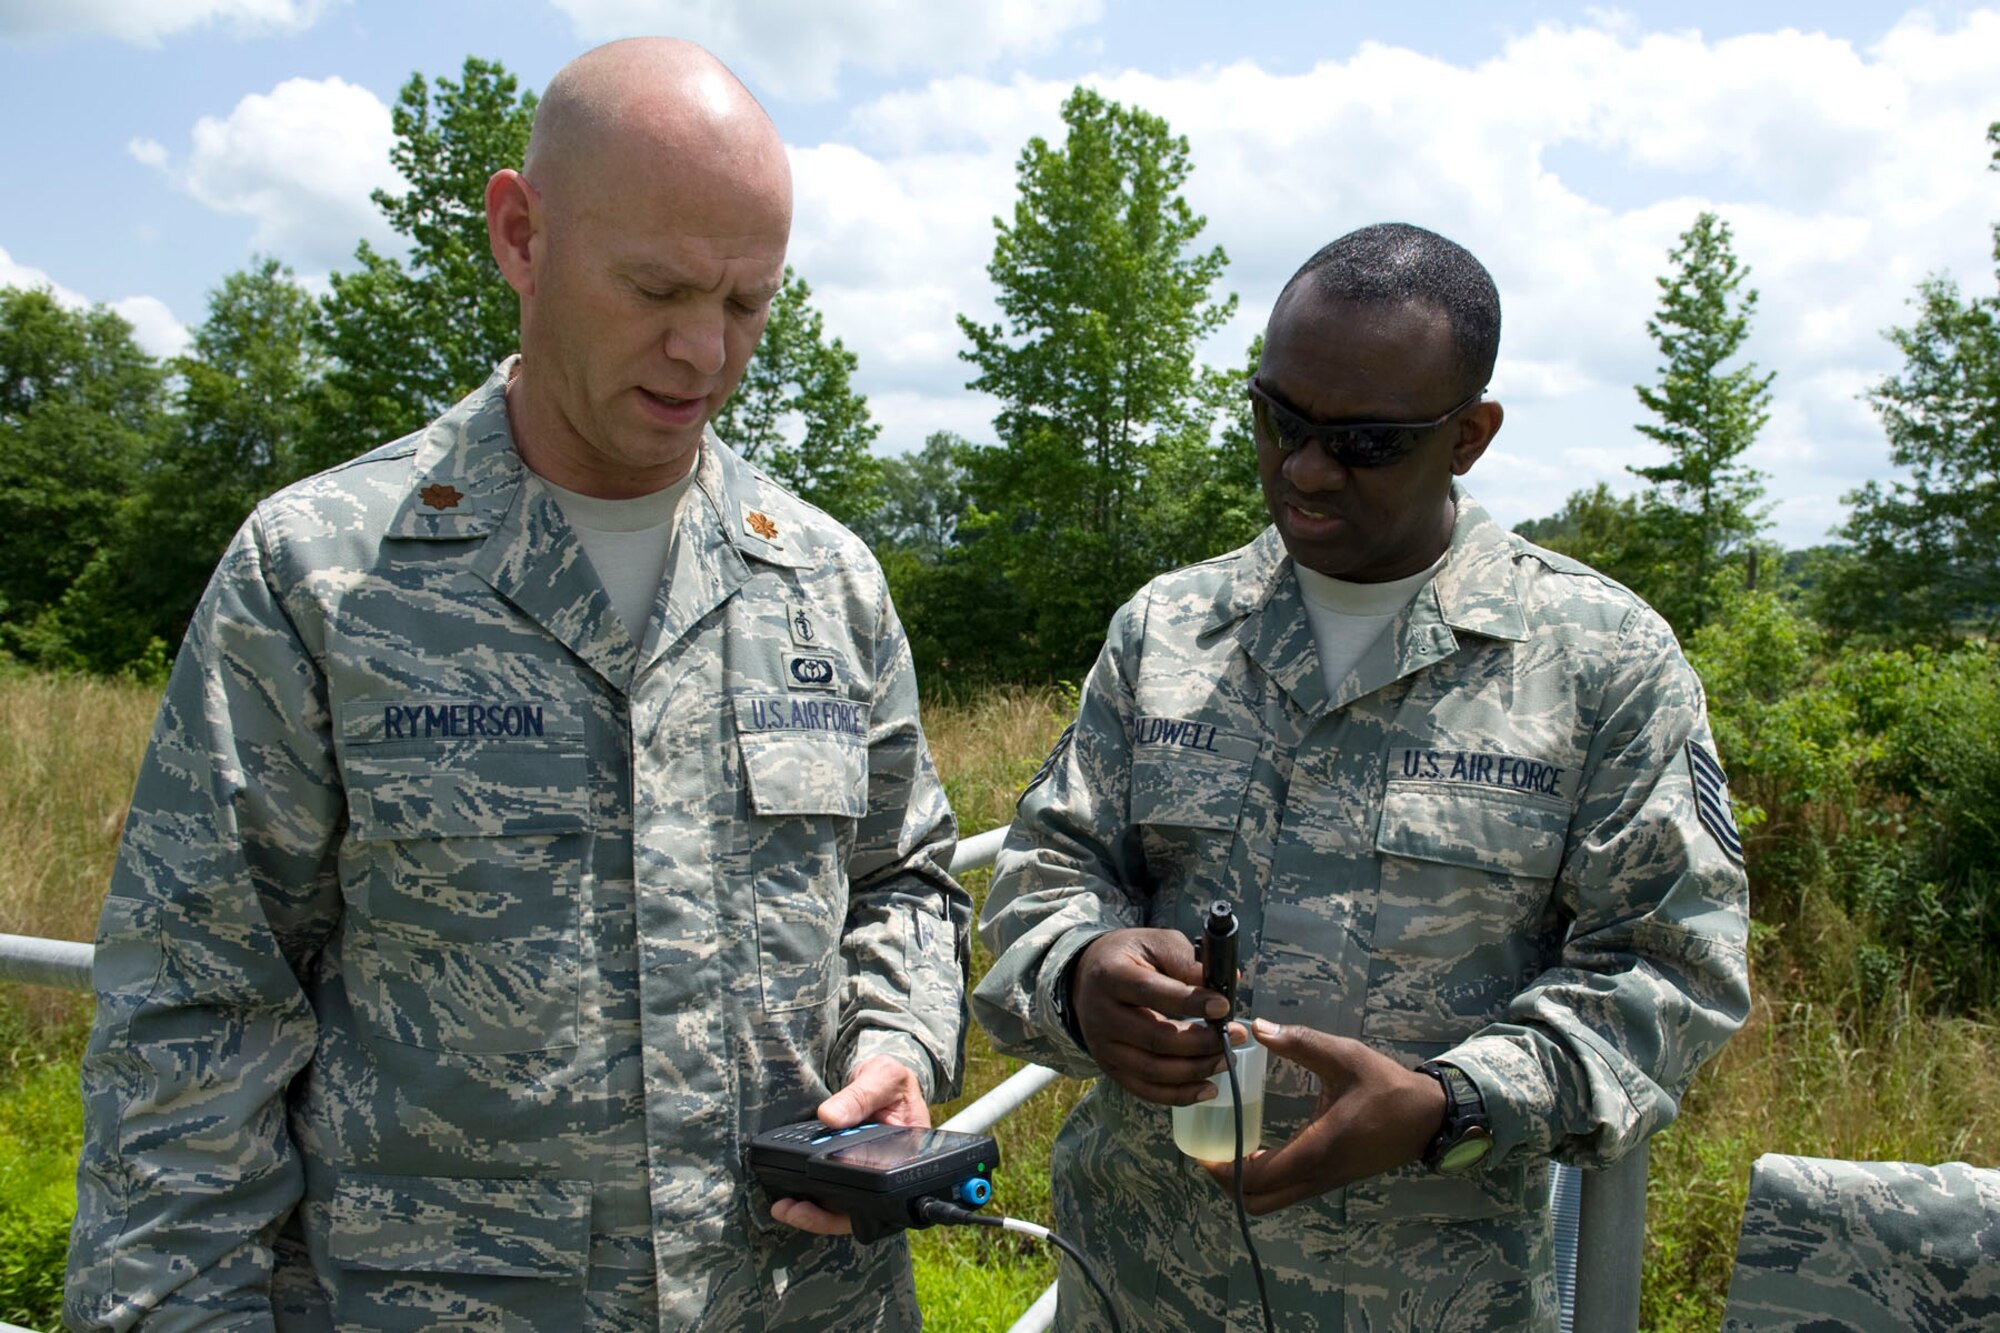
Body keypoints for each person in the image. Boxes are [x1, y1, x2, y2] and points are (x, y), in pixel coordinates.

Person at [65, 38, 969, 1332]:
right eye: (656, 287)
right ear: (520, 234)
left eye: (748, 303)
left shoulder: (825, 582)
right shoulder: (323, 577)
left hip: (801, 1299)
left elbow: (907, 882)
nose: (703, 352)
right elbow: (189, 1023)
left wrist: (897, 1044)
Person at [973, 222, 1751, 1331]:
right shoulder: (1167, 632)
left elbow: (1672, 971)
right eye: (1277, 418)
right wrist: (1078, 973)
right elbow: (1045, 872)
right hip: (1138, 1284)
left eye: (1364, 442)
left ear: (1468, 436)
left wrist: (1453, 1100)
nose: (1301, 467)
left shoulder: (1596, 660)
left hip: (1430, 1297)